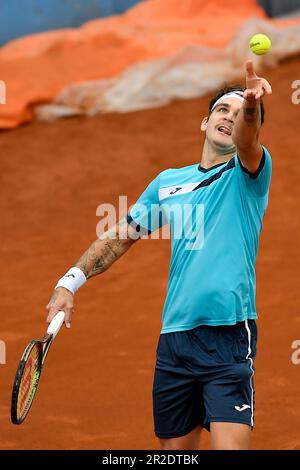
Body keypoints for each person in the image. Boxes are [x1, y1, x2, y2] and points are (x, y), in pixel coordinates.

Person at [46, 60, 272, 450]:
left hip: (228, 336)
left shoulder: (248, 172)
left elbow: (248, 140)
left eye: (240, 114)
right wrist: (69, 282)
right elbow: (120, 236)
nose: (230, 117)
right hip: (176, 340)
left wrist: (251, 106)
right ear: (204, 123)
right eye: (223, 109)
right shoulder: (168, 182)